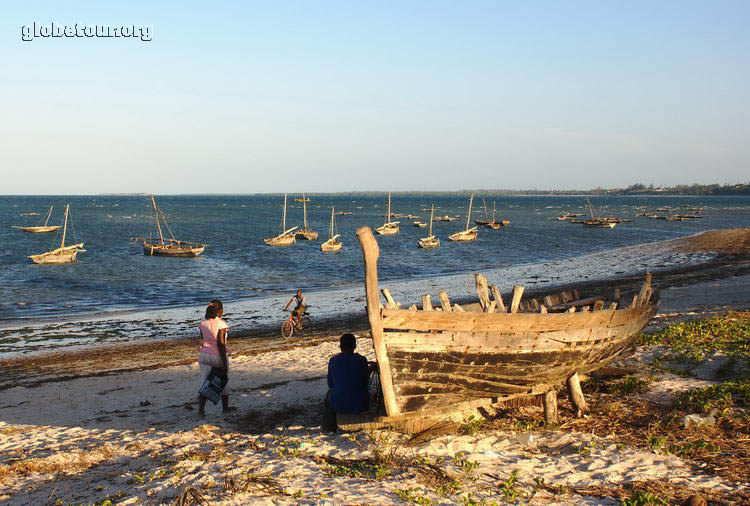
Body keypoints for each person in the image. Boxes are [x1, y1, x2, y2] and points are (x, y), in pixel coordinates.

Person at [322, 333, 370, 432]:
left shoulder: (333, 360)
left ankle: (329, 427)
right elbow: (365, 382)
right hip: (360, 405)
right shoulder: (361, 360)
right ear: (355, 346)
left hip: (338, 405)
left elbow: (330, 384)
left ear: (340, 347)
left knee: (329, 395)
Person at [196, 300, 233, 416]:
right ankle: (225, 408)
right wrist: (224, 363)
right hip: (217, 355)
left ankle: (201, 411)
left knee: (205, 382)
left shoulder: (202, 323)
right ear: (220, 311)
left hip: (204, 355)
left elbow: (204, 340)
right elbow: (221, 344)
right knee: (222, 380)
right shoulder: (222, 324)